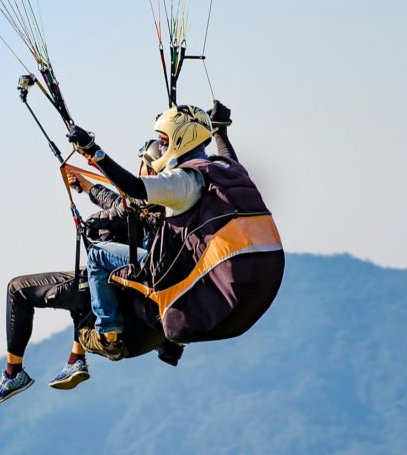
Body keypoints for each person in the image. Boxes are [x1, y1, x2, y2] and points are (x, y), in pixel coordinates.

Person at [67, 102, 284, 354]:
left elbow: (135, 188)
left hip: (177, 274)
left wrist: (93, 151)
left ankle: (108, 335)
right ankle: (168, 346)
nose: (160, 147)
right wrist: (220, 131)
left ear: (179, 139)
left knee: (97, 255)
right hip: (257, 286)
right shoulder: (227, 170)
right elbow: (227, 155)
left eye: (163, 140)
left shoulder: (182, 180)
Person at [0, 142, 171, 405]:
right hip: (145, 312)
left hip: (120, 297)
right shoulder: (170, 202)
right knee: (83, 288)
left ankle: (13, 373)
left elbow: (119, 206)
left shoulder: (143, 201)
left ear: (150, 168)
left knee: (18, 289)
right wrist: (85, 185)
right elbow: (118, 202)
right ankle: (76, 359)